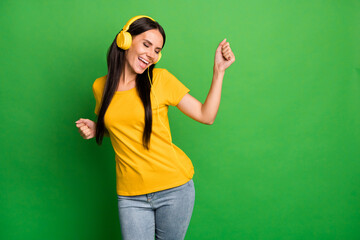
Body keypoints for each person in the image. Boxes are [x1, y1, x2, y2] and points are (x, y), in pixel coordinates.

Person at [75, 15, 235, 240]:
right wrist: (97, 127)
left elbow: (205, 115)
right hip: (130, 195)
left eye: (157, 50)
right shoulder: (100, 87)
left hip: (174, 189)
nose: (152, 54)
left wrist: (219, 71)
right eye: (146, 44)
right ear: (125, 40)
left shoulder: (160, 80)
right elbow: (123, 126)